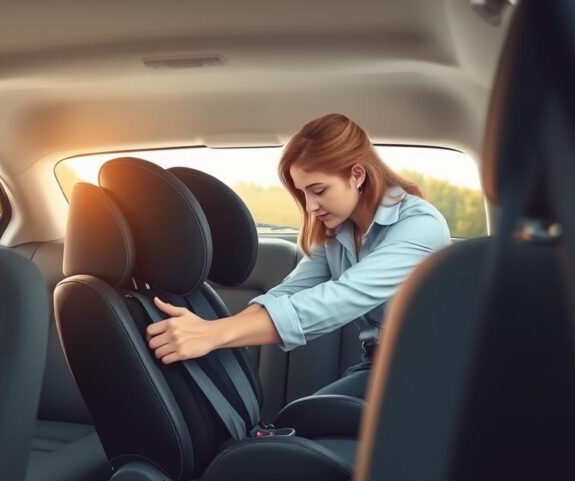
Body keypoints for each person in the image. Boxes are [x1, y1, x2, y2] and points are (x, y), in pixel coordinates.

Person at [145, 113, 451, 400]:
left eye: (319, 190)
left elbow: (341, 297)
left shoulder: (419, 226)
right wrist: (211, 331)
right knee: (298, 424)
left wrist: (215, 334)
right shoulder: (337, 232)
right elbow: (290, 291)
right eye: (303, 193)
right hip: (378, 364)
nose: (310, 207)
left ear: (356, 175)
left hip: (434, 373)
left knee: (306, 431)